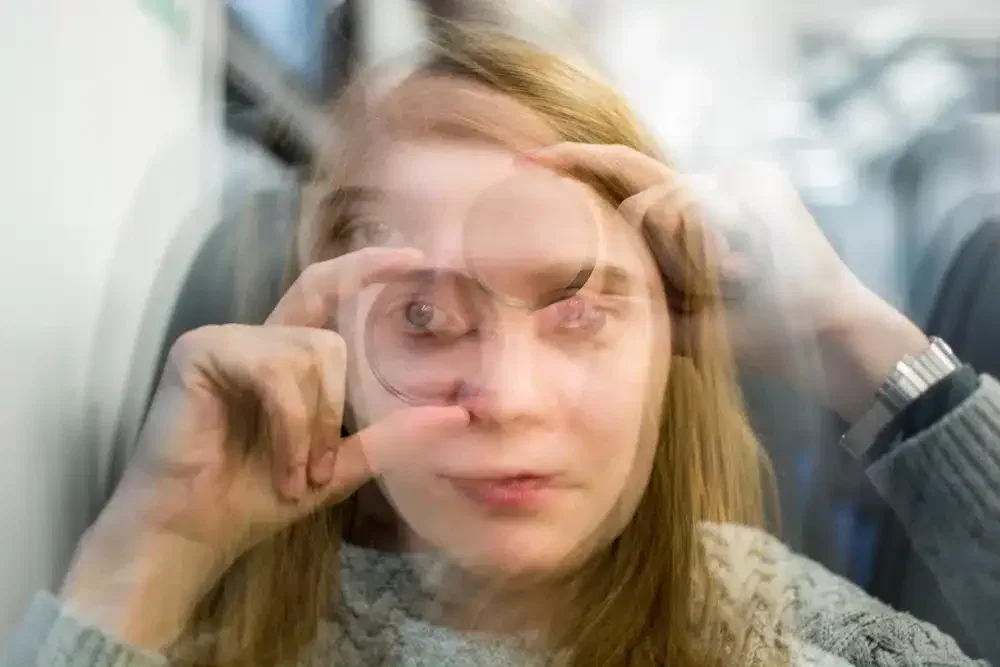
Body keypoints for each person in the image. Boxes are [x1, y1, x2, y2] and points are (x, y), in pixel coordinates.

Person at [5, 25, 999, 667]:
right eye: (423, 319)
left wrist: (848, 335)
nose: (510, 397)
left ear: (669, 347)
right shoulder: (204, 647)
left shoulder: (797, 639)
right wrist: (149, 554)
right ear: (330, 354)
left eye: (579, 310)